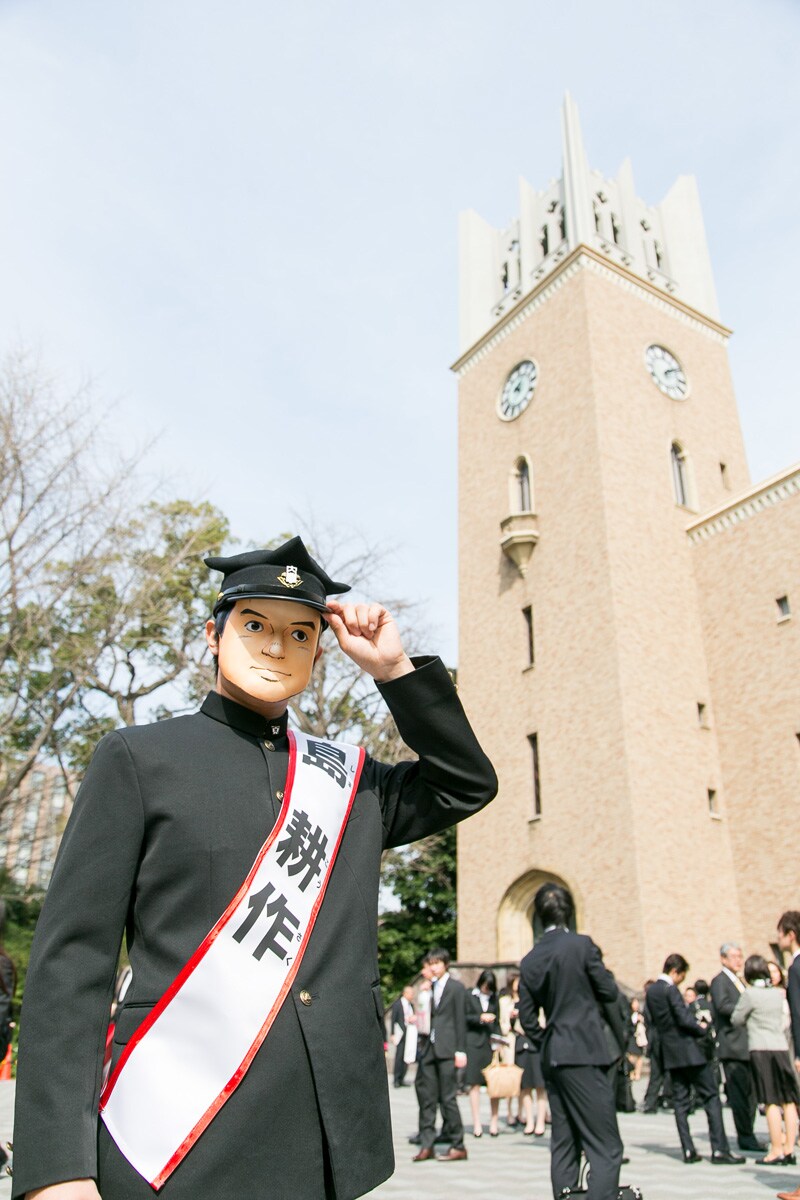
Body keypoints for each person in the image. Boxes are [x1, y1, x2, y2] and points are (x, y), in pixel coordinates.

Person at [11, 538, 497, 1200]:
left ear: (319, 654)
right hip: (172, 1138)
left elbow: (465, 783)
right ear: (213, 635)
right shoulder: (138, 759)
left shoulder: (351, 784)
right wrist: (57, 1171)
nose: (276, 646)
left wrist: (395, 671)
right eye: (256, 625)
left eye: (300, 633)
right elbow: (71, 969)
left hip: (322, 1143)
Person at [519, 882, 623, 1200]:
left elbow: (526, 1018)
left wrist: (546, 1039)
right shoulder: (581, 945)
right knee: (605, 1146)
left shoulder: (530, 959)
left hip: (554, 1054)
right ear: (569, 910)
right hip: (585, 1052)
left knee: (564, 1144)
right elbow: (609, 991)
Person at [646, 952, 744, 1166]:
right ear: (675, 971)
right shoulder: (670, 989)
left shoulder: (651, 990)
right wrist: (702, 1030)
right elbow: (682, 1017)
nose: (681, 980)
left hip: (670, 1053)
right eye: (681, 975)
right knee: (710, 1096)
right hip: (689, 1051)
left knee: (680, 1102)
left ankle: (688, 1150)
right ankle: (719, 1149)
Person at [731, 954, 799, 1164]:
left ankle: (775, 1149)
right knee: (789, 1100)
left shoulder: (750, 994)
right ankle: (789, 1148)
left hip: (760, 1048)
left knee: (770, 1101)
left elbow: (736, 1019)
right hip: (780, 1047)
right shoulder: (778, 993)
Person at [413, 947, 469, 1163]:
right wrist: (423, 994)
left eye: (437, 963)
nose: (433, 967)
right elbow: (421, 1016)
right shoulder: (428, 988)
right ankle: (427, 1144)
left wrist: (461, 1050)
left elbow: (460, 1020)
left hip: (447, 1048)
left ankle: (458, 1144)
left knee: (448, 1098)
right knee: (427, 1099)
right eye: (431, 963)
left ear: (445, 964)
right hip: (428, 1047)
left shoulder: (456, 988)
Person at [710, 940, 765, 1152]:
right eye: (734, 957)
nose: (738, 961)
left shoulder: (740, 981)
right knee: (740, 1095)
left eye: (740, 956)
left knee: (751, 1093)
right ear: (723, 959)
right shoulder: (720, 981)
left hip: (747, 1045)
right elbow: (723, 1006)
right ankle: (745, 1136)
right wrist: (747, 1009)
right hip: (733, 1046)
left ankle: (748, 1131)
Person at [775, 911, 800, 1200]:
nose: (778, 938)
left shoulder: (795, 968)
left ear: (790, 934)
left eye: (780, 933)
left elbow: (798, 1013)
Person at [505, 972, 547, 1136]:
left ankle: (541, 1121)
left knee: (540, 1086)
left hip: (537, 1044)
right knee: (525, 1087)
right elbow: (508, 1026)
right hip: (521, 1044)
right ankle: (529, 1120)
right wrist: (512, 1018)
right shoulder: (514, 1004)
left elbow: (543, 1022)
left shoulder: (540, 1003)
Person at [464, 968, 499, 1137]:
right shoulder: (470, 996)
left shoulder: (495, 998)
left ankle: (493, 1122)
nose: (488, 990)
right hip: (474, 1043)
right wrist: (480, 1018)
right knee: (474, 1084)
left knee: (494, 1085)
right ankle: (477, 1123)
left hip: (490, 1044)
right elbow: (465, 1017)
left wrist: (498, 1040)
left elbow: (498, 1020)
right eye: (486, 986)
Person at [390, 986, 416, 1089]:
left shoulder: (411, 1005)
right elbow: (393, 1019)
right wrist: (392, 1033)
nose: (412, 995)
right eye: (410, 993)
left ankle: (402, 1078)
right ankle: (396, 1078)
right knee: (399, 1056)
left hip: (409, 1033)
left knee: (407, 1055)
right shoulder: (398, 1004)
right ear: (405, 993)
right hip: (400, 1032)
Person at [629, 996, 647, 1081]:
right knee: (631, 1056)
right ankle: (632, 1072)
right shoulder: (629, 1014)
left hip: (640, 1038)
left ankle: (637, 1073)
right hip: (632, 1036)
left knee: (640, 1056)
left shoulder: (641, 1014)